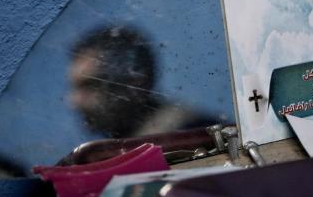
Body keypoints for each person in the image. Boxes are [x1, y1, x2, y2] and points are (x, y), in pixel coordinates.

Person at [68, 26, 215, 138]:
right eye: (75, 88)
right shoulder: (118, 151)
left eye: (92, 85)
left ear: (134, 82)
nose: (74, 101)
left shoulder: (189, 137)